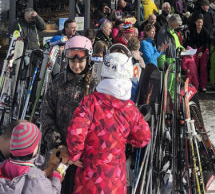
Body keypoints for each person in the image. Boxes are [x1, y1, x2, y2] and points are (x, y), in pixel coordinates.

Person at [67, 52, 151, 193]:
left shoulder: (90, 102)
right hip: (114, 179)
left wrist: (75, 155)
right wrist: (125, 137)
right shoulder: (130, 108)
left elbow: (76, 131)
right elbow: (143, 137)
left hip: (89, 177)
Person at [40, 35, 96, 194]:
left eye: (80, 61)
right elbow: (46, 115)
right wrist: (59, 145)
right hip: (61, 154)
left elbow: (99, 122)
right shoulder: (58, 82)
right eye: (73, 61)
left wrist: (80, 152)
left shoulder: (95, 84)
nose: (76, 66)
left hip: (84, 158)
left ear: (88, 59)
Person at [0, 121, 65, 192]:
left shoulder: (3, 165)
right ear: (32, 149)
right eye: (36, 144)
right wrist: (56, 176)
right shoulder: (36, 178)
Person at [185, 16, 211, 92]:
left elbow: (207, 43)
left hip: (203, 49)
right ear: (195, 22)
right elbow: (190, 41)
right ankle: (195, 85)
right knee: (194, 68)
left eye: (201, 22)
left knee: (203, 68)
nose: (199, 24)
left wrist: (202, 52)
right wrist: (194, 50)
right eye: (198, 22)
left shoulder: (205, 31)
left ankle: (203, 85)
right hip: (194, 49)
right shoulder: (192, 30)